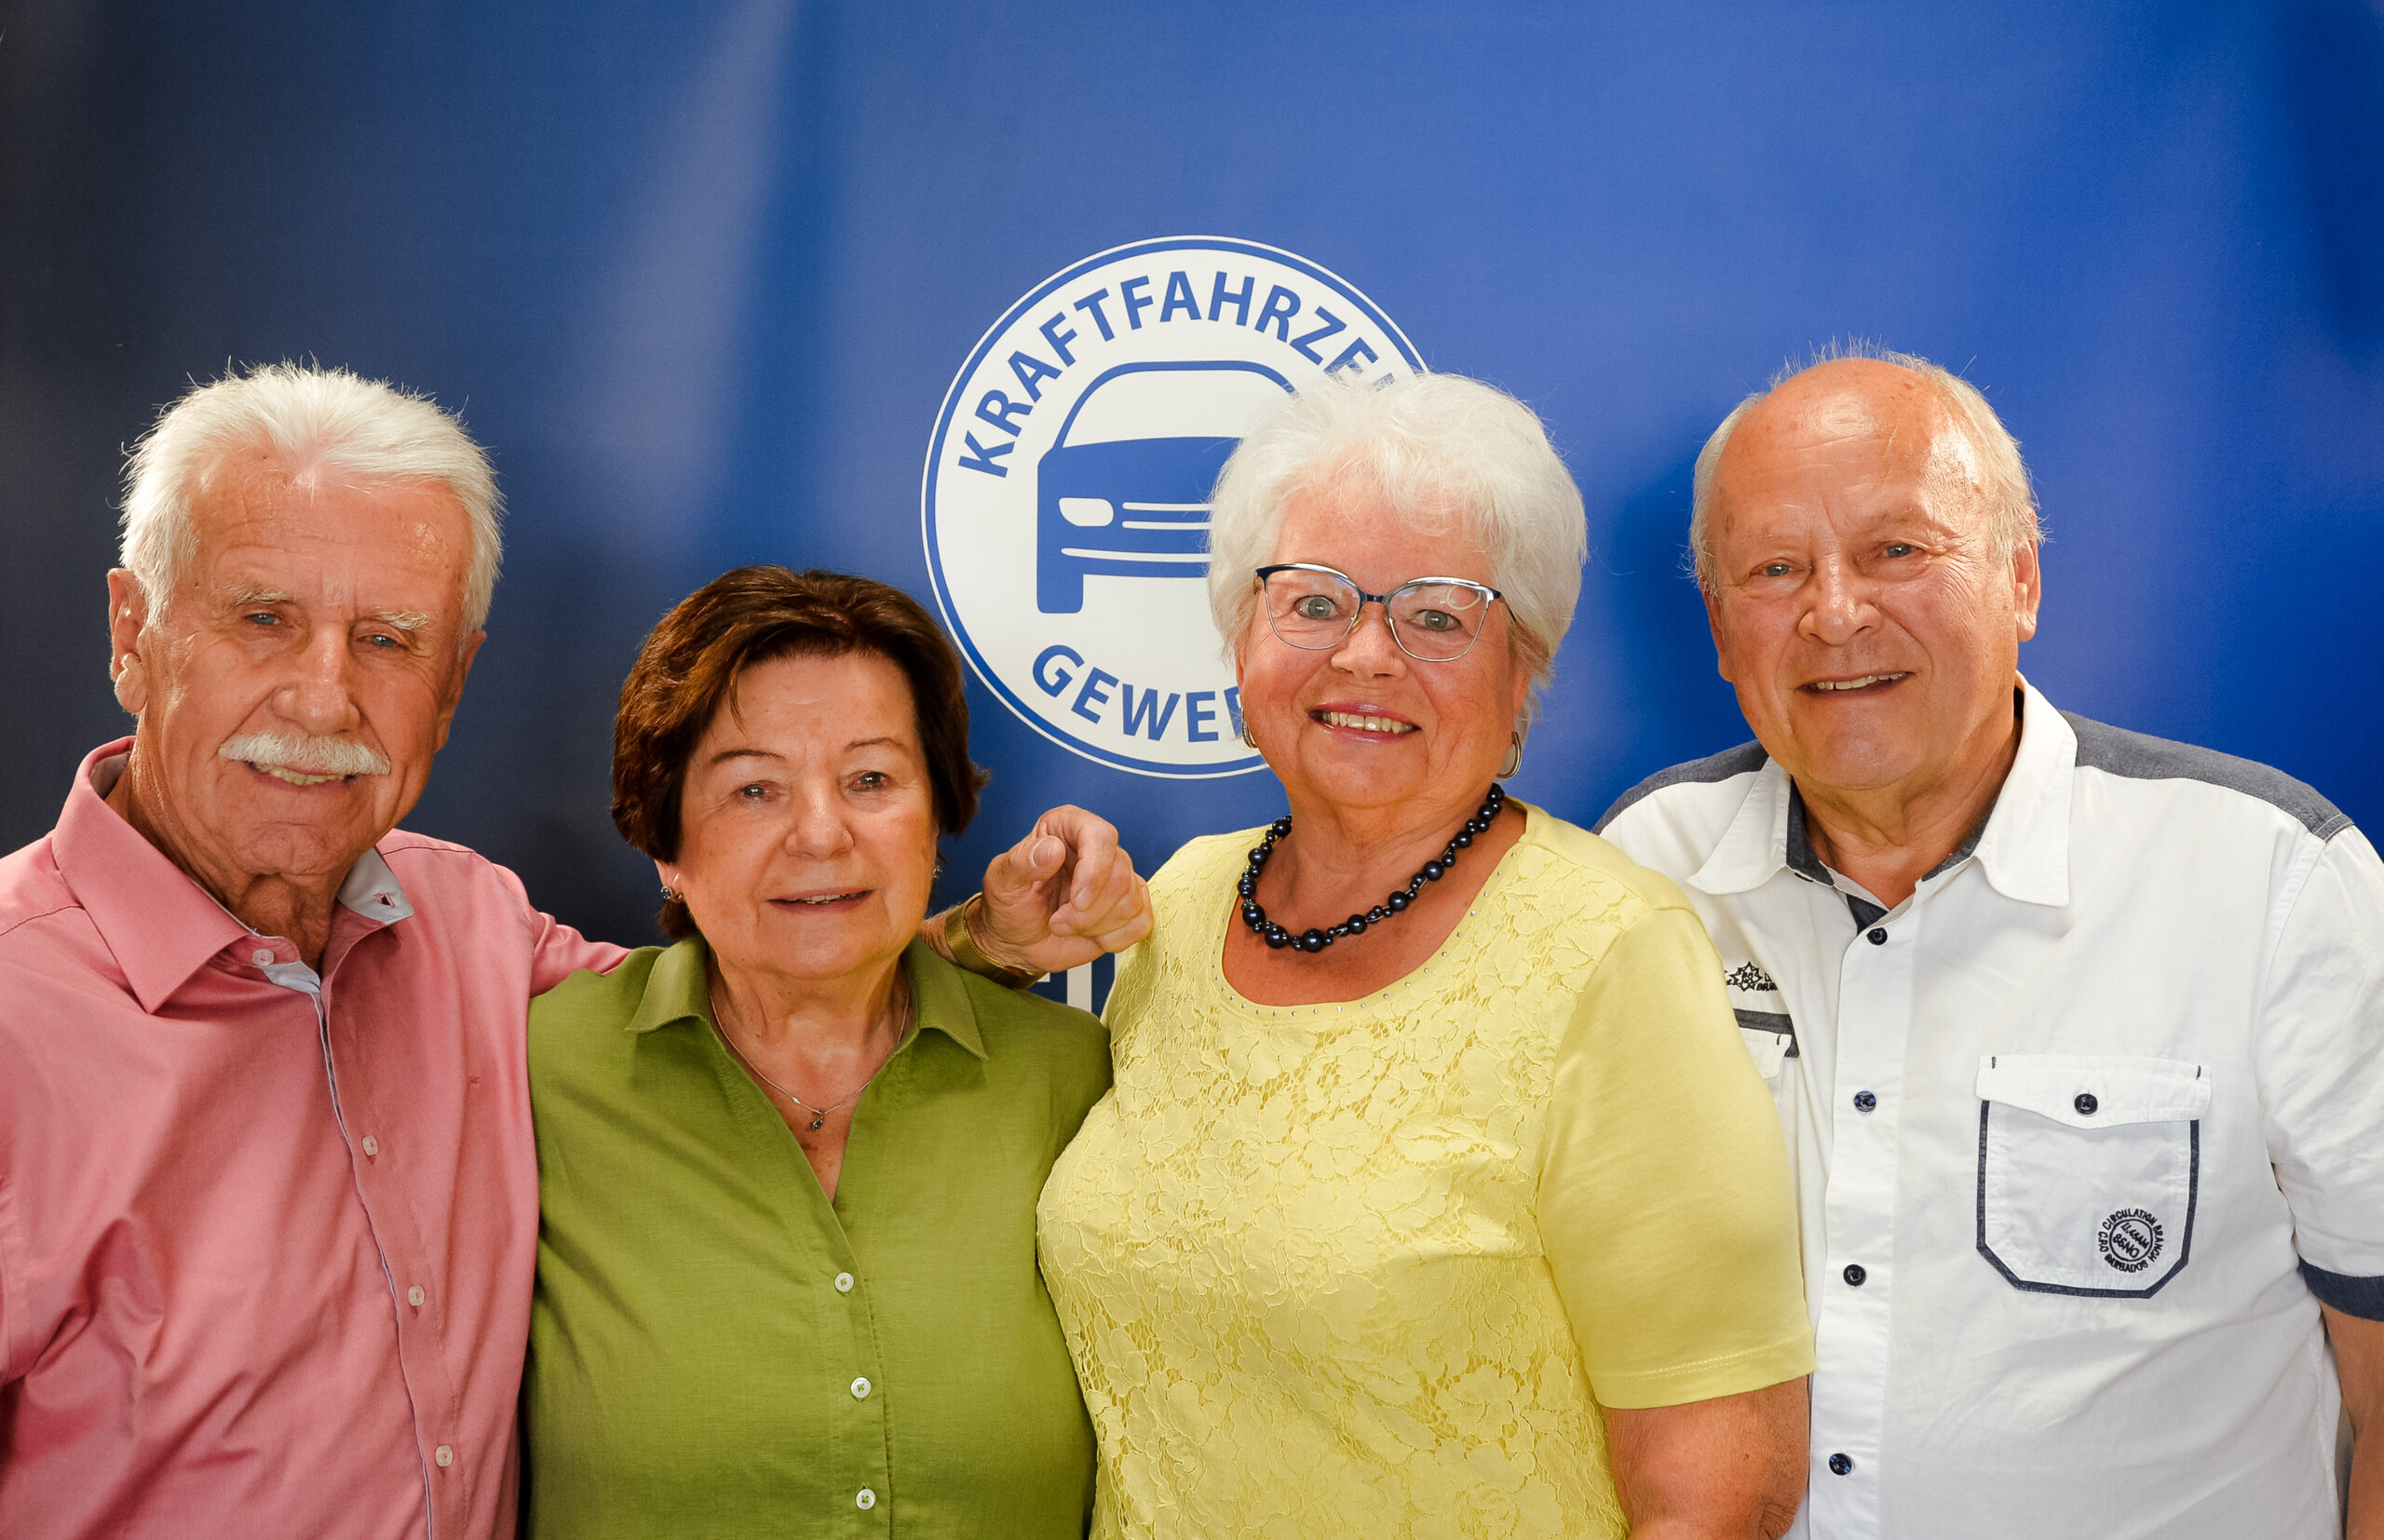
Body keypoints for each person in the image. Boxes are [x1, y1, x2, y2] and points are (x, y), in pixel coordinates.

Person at [0, 365, 1149, 1540]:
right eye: (264, 619)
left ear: (452, 685)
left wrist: (982, 938)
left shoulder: (473, 929)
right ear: (132, 634)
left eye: (389, 639)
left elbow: (768, 972)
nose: (325, 695)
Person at [1595, 350, 2384, 1540]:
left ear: (2020, 578)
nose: (1834, 613)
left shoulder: (2272, 881)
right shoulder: (1649, 866)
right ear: (1718, 626)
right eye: (1774, 569)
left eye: (1895, 550)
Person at [1037, 371, 1815, 1540]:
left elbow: (1722, 1497)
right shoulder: (1183, 900)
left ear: (1523, 671)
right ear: (1240, 636)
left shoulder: (1611, 952)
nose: (1366, 654)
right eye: (1312, 602)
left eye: (1438, 616)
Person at [522, 566, 1110, 1537]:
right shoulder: (536, 1073)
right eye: (754, 789)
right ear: (664, 840)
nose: (823, 834)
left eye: (871, 779)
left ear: (936, 814)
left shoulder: (1074, 1079)